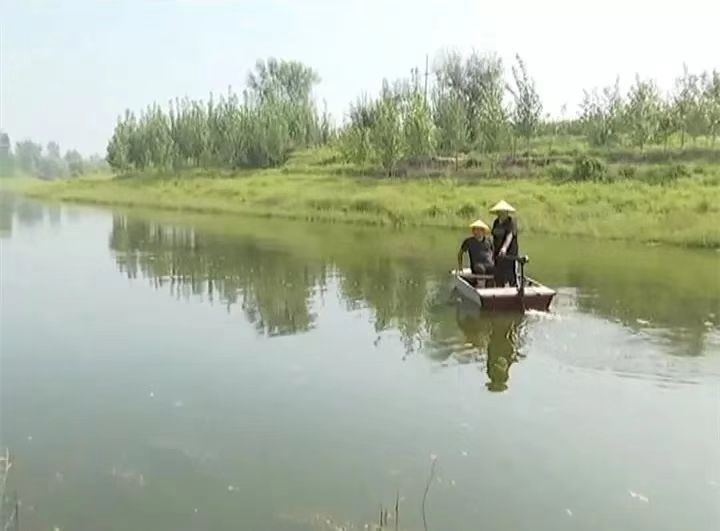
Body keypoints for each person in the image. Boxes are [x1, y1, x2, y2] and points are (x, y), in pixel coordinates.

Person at [490, 200, 519, 287]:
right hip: (497, 253)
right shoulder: (496, 222)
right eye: (500, 212)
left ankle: (513, 288)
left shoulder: (511, 222)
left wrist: (504, 248)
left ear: (507, 212)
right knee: (498, 273)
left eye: (504, 212)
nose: (502, 214)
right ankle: (499, 288)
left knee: (510, 273)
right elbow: (494, 236)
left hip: (510, 253)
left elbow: (509, 235)